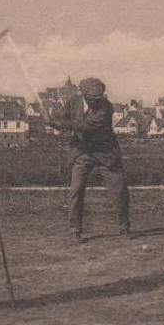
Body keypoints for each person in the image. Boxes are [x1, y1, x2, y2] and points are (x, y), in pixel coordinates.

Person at [48, 77, 130, 243]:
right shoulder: (73, 101)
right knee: (76, 190)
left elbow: (85, 126)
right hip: (83, 152)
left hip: (106, 154)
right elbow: (63, 115)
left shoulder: (106, 108)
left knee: (119, 191)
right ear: (83, 94)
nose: (95, 101)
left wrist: (62, 125)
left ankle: (124, 227)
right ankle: (75, 230)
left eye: (98, 98)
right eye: (92, 98)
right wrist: (54, 117)